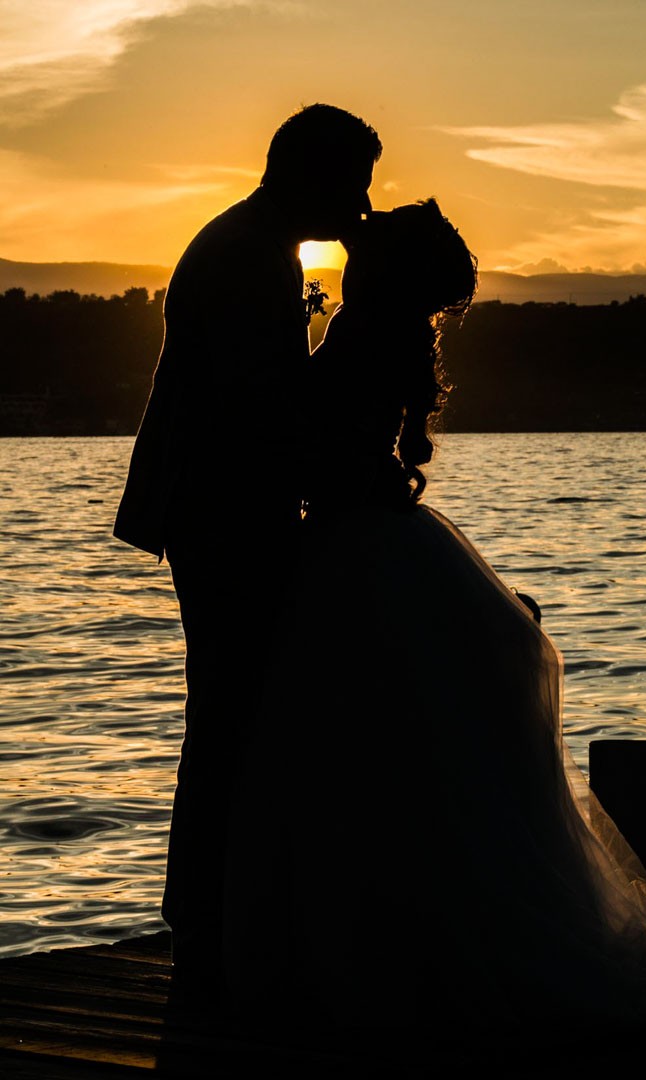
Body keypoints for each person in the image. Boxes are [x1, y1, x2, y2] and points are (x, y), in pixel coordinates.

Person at [220, 199, 646, 1060]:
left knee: (355, 748)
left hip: (346, 547)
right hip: (380, 538)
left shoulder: (357, 333)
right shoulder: (387, 335)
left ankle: (363, 941)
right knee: (431, 730)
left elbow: (325, 449)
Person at [112, 103, 383, 986]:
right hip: (222, 510)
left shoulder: (258, 246)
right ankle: (207, 922)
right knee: (231, 714)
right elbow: (257, 405)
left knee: (238, 710)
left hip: (226, 506)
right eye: (354, 185)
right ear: (312, 175)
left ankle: (226, 914)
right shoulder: (244, 257)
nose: (362, 205)